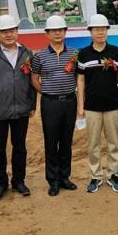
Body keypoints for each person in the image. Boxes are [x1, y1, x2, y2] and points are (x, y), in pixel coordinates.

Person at [0, 15, 37, 201]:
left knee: (20, 147)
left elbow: (32, 81)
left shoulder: (27, 52)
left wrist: (32, 104)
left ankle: (19, 181)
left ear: (17, 32)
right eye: (4, 31)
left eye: (12, 30)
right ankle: (1, 184)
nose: (9, 34)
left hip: (22, 109)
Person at [77, 14, 118, 193]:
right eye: (97, 29)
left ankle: (113, 175)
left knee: (113, 143)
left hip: (112, 104)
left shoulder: (115, 52)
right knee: (93, 144)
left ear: (107, 31)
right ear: (90, 32)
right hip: (91, 106)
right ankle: (96, 176)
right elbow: (80, 80)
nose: (100, 32)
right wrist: (80, 104)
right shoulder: (84, 54)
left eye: (103, 29)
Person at [31, 15, 78, 196]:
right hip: (49, 103)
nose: (57, 33)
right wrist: (48, 93)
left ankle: (64, 177)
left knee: (66, 141)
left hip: (70, 102)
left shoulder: (74, 54)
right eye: (53, 30)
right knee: (51, 141)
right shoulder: (39, 56)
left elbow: (77, 77)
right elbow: (34, 80)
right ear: (47, 34)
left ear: (65, 32)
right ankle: (53, 180)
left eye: (60, 30)